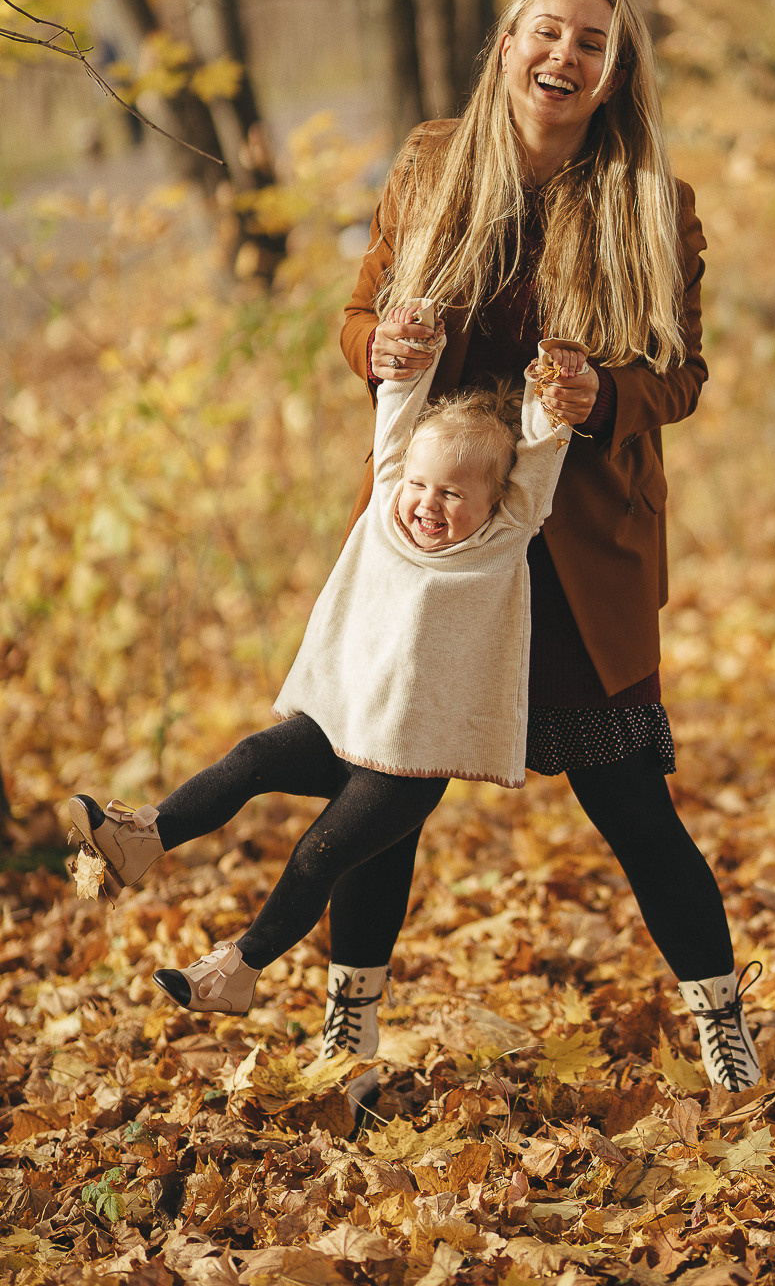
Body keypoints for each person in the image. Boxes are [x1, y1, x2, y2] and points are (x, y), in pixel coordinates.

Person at [338, 0, 761, 1093]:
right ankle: (347, 1035)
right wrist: (372, 348)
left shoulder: (651, 204)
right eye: (547, 31)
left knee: (628, 800)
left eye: (590, 42)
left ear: (615, 74)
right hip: (438, 531)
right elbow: (362, 309)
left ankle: (723, 1033)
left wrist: (604, 398)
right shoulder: (433, 167)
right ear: (510, 44)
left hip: (579, 549)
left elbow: (680, 375)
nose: (563, 55)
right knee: (382, 791)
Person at [67, 331, 579, 1106]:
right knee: (251, 759)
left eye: (451, 494)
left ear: (493, 503)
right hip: (341, 726)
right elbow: (398, 405)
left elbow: (541, 456)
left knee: (321, 854)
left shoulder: (505, 537)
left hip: (408, 764)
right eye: (419, 483)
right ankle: (141, 840)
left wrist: (555, 391)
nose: (426, 504)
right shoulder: (384, 502)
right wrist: (417, 336)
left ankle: (236, 971)